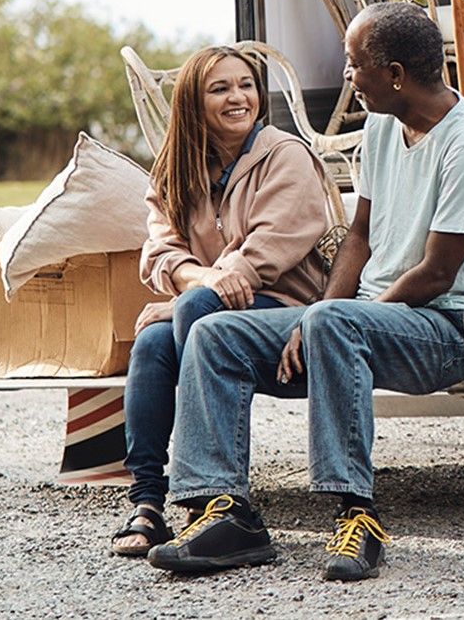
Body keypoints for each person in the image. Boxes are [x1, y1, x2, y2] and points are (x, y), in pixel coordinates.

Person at [145, 2, 464, 581]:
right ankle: (227, 511)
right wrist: (316, 313)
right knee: (216, 332)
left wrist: (333, 318)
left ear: (394, 74)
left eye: (353, 65)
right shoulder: (383, 127)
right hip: (373, 317)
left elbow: (437, 273)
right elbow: (360, 236)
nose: (347, 77)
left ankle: (357, 516)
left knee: (333, 323)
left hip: (454, 327)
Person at [110, 45, 330, 556]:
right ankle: (147, 502)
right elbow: (160, 251)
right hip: (212, 308)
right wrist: (202, 281)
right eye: (221, 88)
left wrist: (195, 291)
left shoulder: (285, 155)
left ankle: (216, 499)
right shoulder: (177, 169)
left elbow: (270, 249)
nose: (239, 97)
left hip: (289, 316)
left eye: (246, 85)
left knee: (184, 312)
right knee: (153, 341)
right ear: (193, 103)